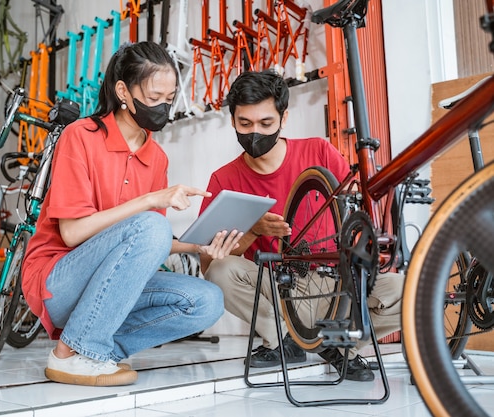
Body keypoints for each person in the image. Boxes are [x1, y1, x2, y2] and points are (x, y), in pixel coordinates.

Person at [22, 41, 242, 387]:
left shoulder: (157, 158)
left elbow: (146, 245)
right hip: (58, 281)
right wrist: (150, 200)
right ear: (123, 91)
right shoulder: (80, 136)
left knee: (207, 301)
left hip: (110, 285)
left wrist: (199, 245)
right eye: (154, 98)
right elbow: (73, 234)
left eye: (169, 99)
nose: (163, 108)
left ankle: (98, 353)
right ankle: (70, 353)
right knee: (151, 222)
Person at [199, 69, 403, 382]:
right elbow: (208, 261)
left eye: (266, 123)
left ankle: (337, 345)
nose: (255, 132)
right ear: (233, 121)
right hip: (281, 286)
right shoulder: (223, 180)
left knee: (410, 290)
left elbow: (356, 208)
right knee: (220, 271)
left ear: (284, 118)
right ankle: (283, 340)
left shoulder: (318, 152)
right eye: (245, 123)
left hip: (336, 280)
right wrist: (255, 230)